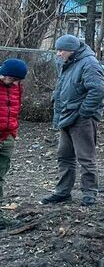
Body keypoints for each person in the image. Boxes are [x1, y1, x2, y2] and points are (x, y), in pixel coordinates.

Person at [41, 35, 104, 207]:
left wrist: (84, 112)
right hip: (66, 116)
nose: (58, 54)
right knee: (64, 156)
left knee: (85, 157)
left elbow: (98, 90)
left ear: (71, 50)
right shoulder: (68, 63)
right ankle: (62, 192)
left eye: (61, 50)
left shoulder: (89, 64)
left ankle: (89, 193)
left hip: (81, 118)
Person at [0, 58, 27, 229]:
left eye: (18, 80)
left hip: (7, 137)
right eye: (13, 79)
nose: (15, 83)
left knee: (0, 177)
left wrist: (13, 132)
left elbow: (15, 110)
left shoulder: (16, 87)